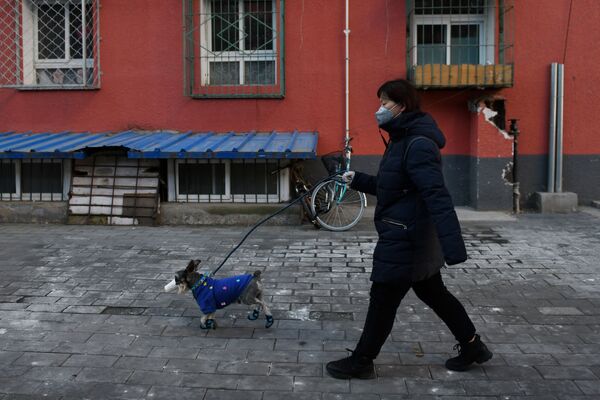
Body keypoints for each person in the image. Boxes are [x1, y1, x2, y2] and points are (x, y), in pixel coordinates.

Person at [326, 79, 492, 380]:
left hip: (407, 237)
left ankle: (362, 360)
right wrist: (358, 179)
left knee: (383, 298)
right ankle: (473, 346)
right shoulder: (401, 139)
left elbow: (436, 194)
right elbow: (392, 186)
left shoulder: (418, 144)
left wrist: (454, 246)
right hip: (408, 232)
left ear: (401, 106)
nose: (379, 109)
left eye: (384, 103)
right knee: (435, 293)